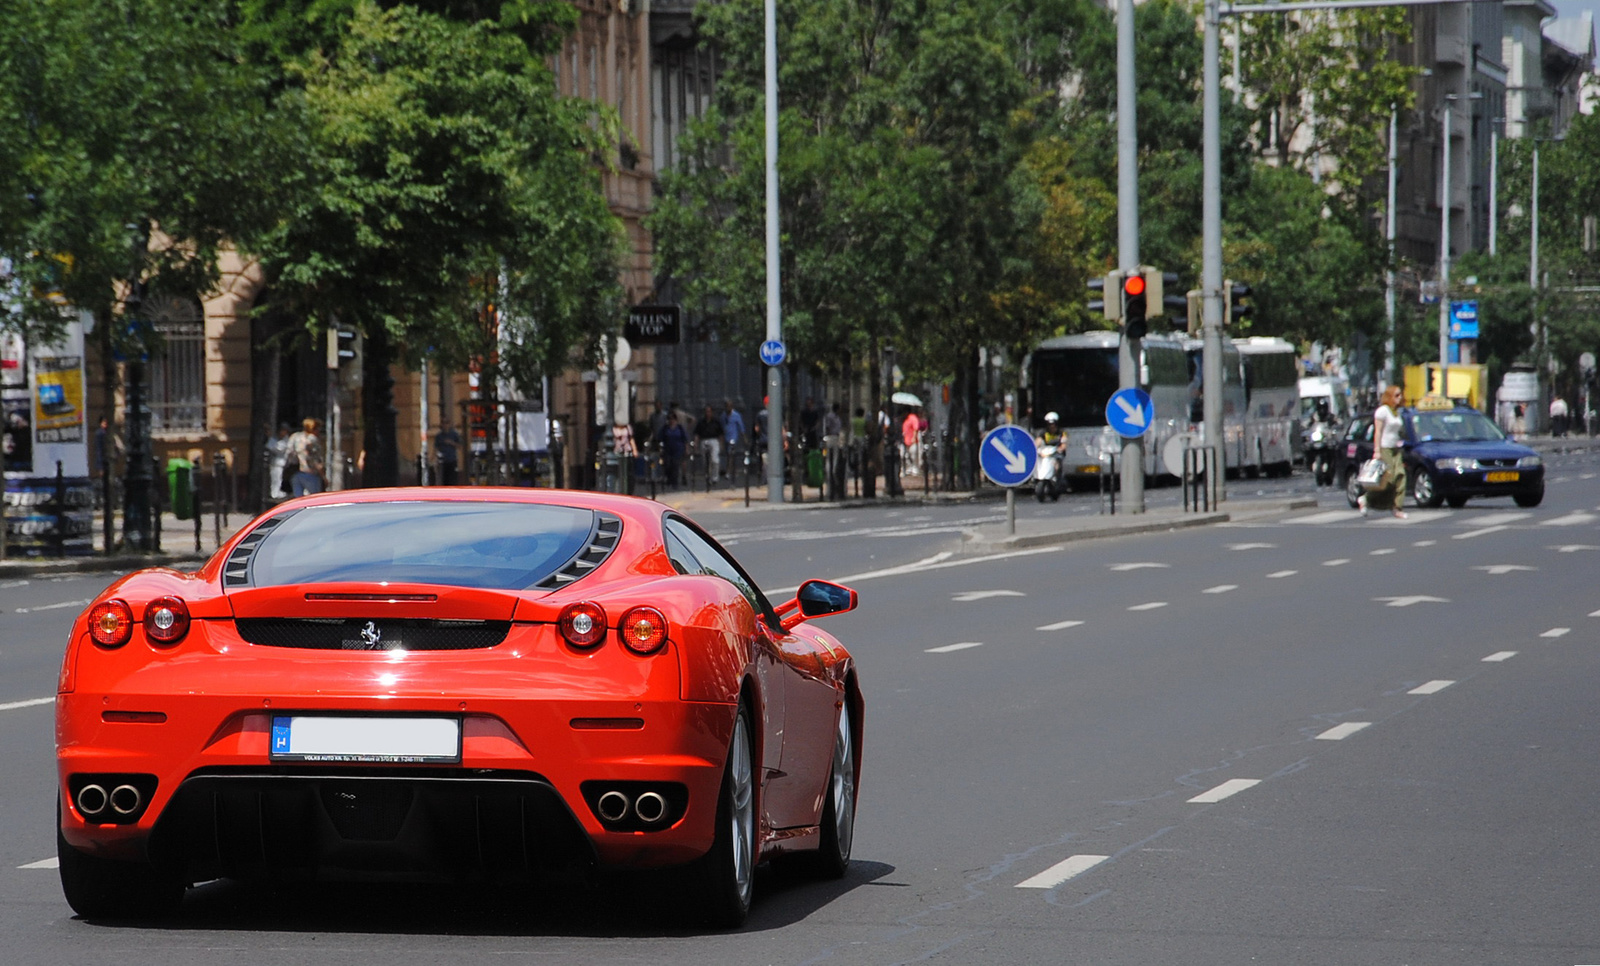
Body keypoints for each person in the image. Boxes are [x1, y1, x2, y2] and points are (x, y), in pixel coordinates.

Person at [1359, 385, 1407, 519]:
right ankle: (1366, 499)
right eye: (1396, 395)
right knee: (1387, 480)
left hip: (1395, 449)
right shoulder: (1382, 411)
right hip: (1385, 448)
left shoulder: (1397, 412)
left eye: (1400, 395)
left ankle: (1397, 508)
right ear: (1389, 396)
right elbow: (1378, 432)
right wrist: (1377, 450)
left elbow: (1399, 431)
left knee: (1401, 476)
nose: (1400, 398)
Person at [286, 418, 326, 497]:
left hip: (296, 472)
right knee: (314, 499)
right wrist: (323, 477)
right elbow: (315, 459)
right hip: (311, 473)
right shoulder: (312, 439)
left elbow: (289, 453)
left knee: (298, 500)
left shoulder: (295, 436)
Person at [695, 404, 724, 480]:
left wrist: (721, 444)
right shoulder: (701, 422)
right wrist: (696, 444)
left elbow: (720, 434)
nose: (708, 413)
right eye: (706, 411)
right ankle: (707, 473)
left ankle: (715, 476)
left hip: (714, 440)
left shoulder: (716, 422)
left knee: (715, 459)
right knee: (705, 460)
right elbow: (697, 434)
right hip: (704, 440)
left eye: (709, 411)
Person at [265, 422, 291, 500]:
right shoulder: (276, 438)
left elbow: (280, 448)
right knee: (275, 478)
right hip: (275, 462)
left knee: (278, 478)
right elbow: (275, 447)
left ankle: (276, 492)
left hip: (280, 462)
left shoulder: (285, 439)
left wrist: (270, 438)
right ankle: (275, 493)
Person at [661, 412, 688, 486]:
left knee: (675, 465)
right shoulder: (665, 428)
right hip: (668, 449)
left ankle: (674, 481)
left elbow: (684, 439)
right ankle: (669, 478)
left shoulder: (679, 428)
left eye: (673, 419)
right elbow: (661, 438)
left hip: (678, 449)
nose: (671, 420)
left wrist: (686, 449)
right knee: (667, 464)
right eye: (669, 419)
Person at [434, 418, 461, 485]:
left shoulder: (454, 434)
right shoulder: (439, 436)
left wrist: (452, 443)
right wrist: (434, 459)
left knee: (452, 478)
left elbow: (459, 446)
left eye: (447, 423)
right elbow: (436, 447)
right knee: (444, 479)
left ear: (449, 425)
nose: (445, 425)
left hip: (452, 459)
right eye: (444, 423)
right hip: (443, 461)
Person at [722, 399, 745, 475]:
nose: (728, 408)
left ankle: (728, 471)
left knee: (730, 454)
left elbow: (741, 427)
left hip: (733, 437)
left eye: (729, 406)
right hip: (726, 437)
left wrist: (744, 437)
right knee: (728, 454)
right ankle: (733, 469)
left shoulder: (736, 415)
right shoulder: (723, 416)